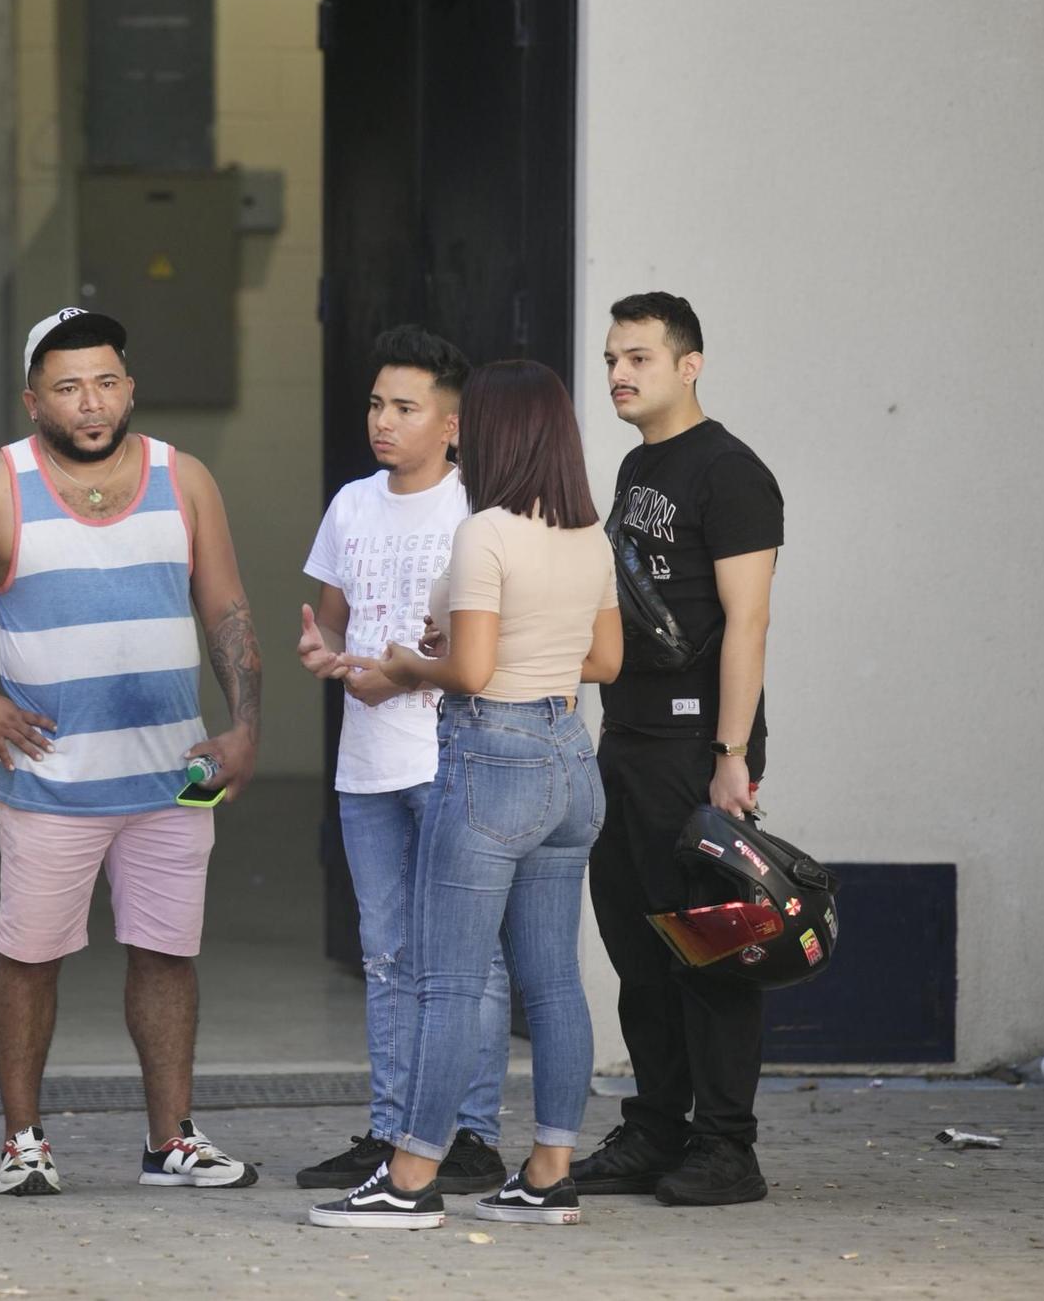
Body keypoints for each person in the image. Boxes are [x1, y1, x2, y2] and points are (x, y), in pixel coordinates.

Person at [0, 309, 262, 1196]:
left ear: (131, 386)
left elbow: (226, 609)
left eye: (107, 381)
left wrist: (245, 726)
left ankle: (170, 1142)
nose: (91, 402)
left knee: (166, 951)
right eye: (70, 386)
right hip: (47, 780)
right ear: (33, 397)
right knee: (30, 955)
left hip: (174, 775)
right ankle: (23, 1142)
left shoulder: (182, 478)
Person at [312, 359, 620, 1230]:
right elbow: (605, 662)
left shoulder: (484, 531)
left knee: (447, 980)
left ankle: (408, 1177)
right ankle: (549, 1170)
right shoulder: (587, 535)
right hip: (568, 756)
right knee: (553, 980)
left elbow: (473, 670)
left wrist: (416, 665)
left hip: (492, 760)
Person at [570, 292, 784, 1207]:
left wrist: (731, 750)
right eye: (613, 358)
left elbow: (749, 621)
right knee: (637, 942)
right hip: (628, 739)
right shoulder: (636, 464)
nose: (619, 373)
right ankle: (659, 1126)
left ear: (689, 364)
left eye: (640, 359)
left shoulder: (731, 473)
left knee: (709, 946)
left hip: (697, 744)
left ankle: (727, 1146)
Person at [294, 325, 509, 1195]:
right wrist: (327, 656)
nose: (383, 420)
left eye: (405, 407)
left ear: (451, 425)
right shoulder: (350, 504)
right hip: (366, 766)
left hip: (454, 758)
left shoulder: (479, 511)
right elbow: (333, 624)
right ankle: (390, 1130)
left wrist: (406, 669)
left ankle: (472, 1133)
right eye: (377, 403)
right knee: (386, 953)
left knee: (469, 957)